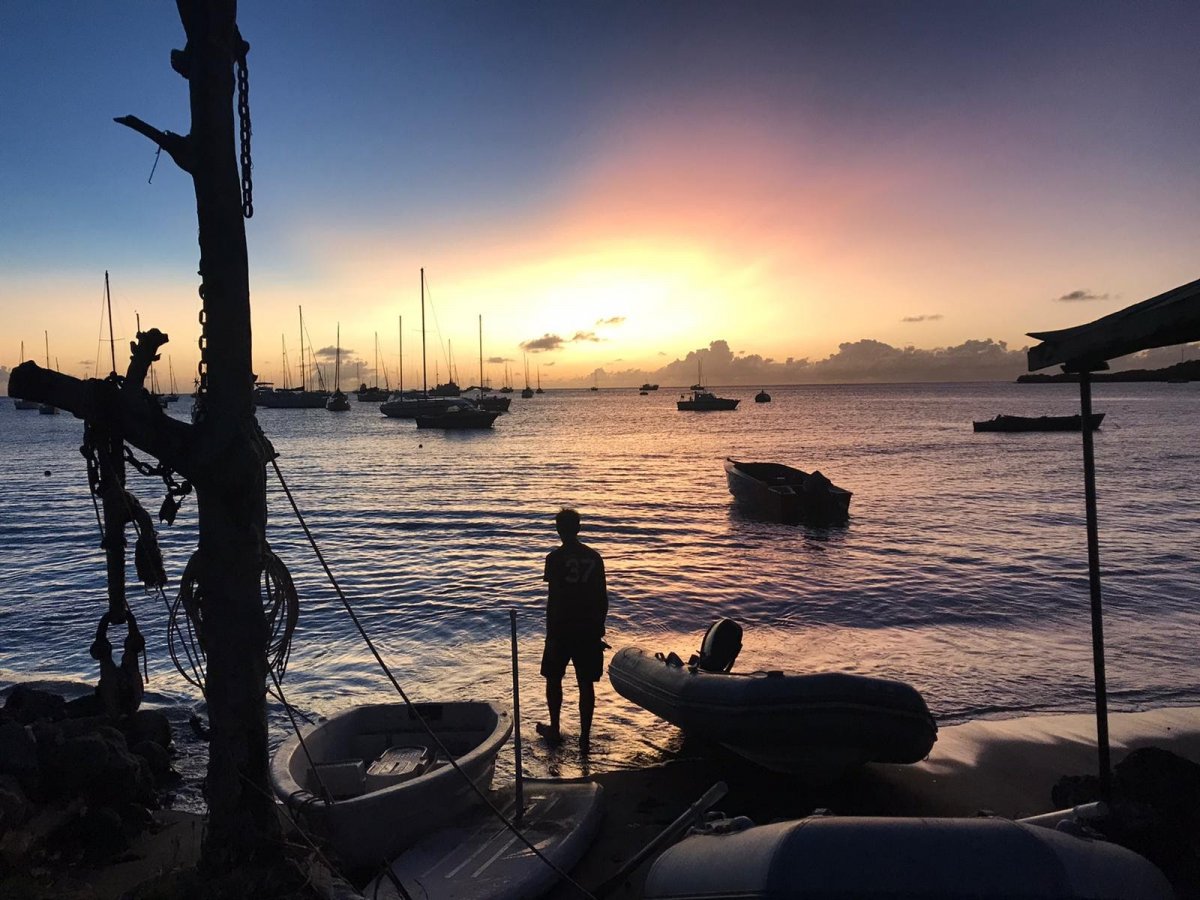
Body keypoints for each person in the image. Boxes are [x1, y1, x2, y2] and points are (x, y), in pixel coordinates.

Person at [537, 507, 608, 749]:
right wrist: (599, 629)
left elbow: (554, 597)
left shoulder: (554, 559)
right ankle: (585, 737)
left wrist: (550, 631)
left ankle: (555, 728)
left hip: (561, 628)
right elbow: (602, 597)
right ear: (578, 528)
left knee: (553, 678)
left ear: (559, 529)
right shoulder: (594, 557)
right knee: (585, 683)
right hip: (587, 629)